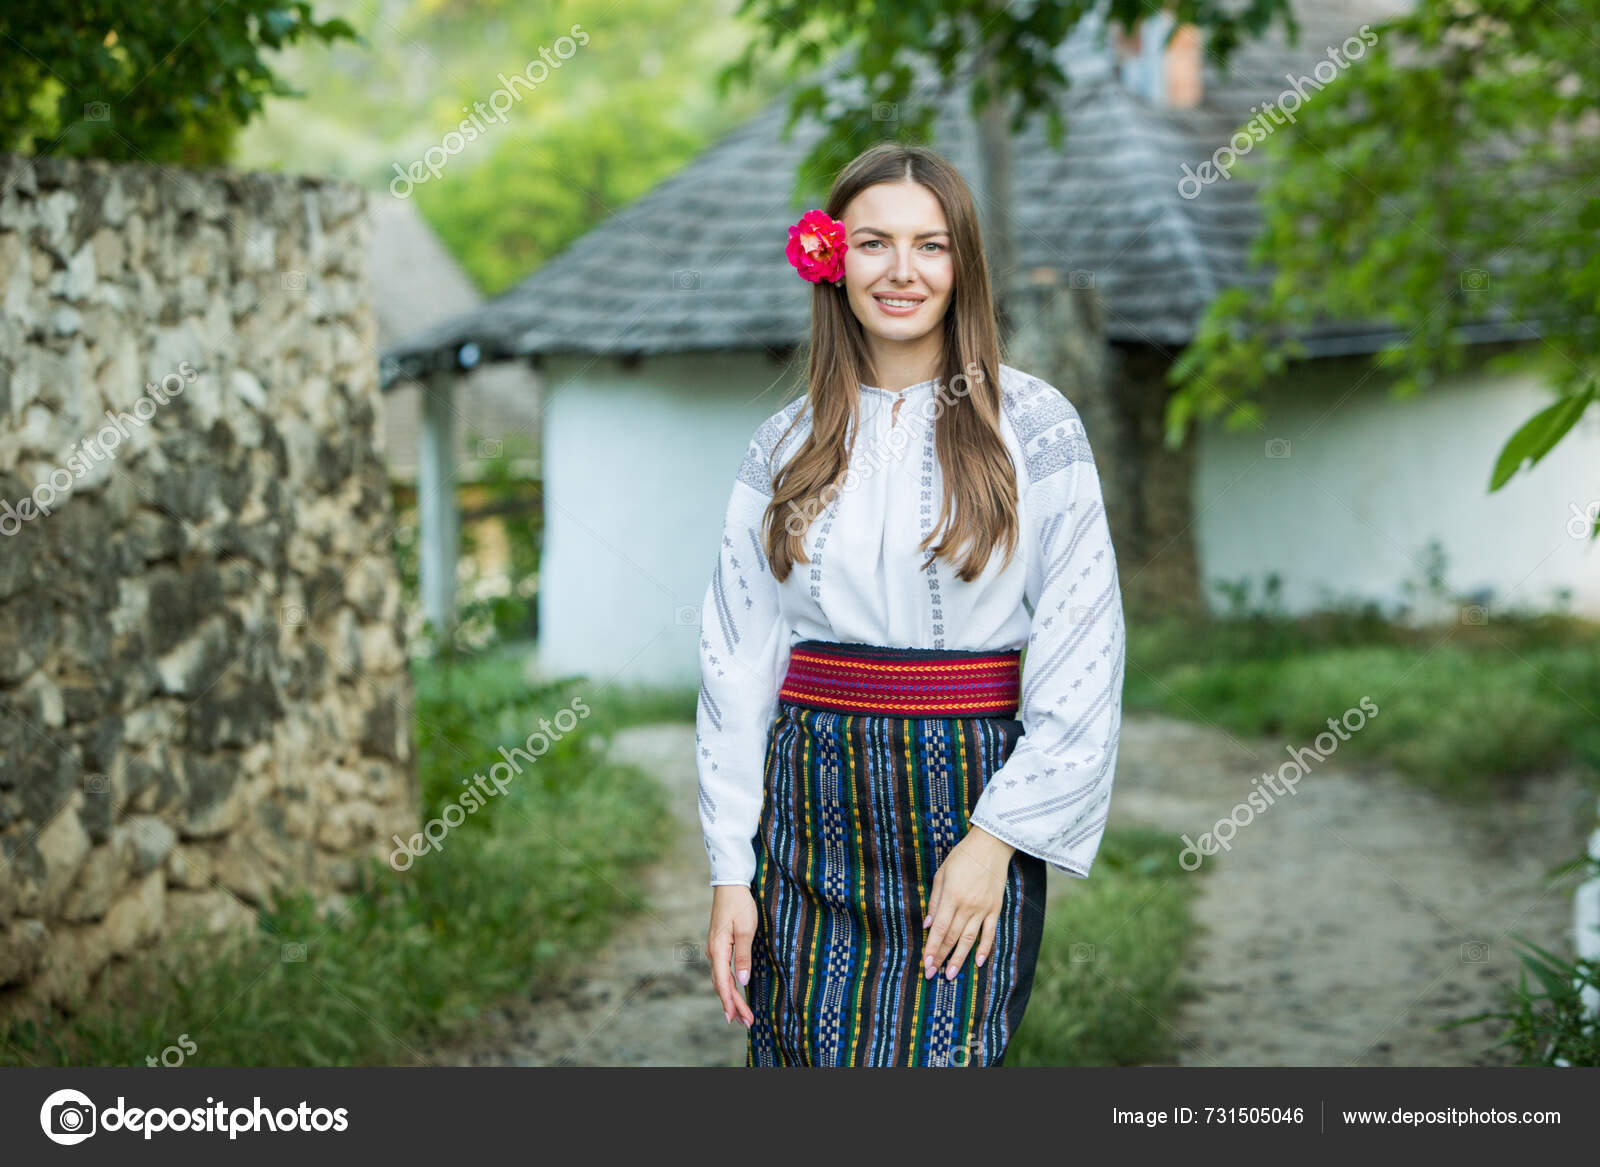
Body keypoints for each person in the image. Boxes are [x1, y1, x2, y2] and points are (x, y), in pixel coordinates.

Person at [695, 142, 1126, 1067]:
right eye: (873, 244)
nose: (901, 271)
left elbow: (1083, 644)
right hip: (812, 807)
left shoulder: (1035, 425)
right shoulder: (784, 446)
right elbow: (737, 663)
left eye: (930, 246)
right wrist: (734, 868)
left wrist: (998, 839)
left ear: (962, 264)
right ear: (832, 263)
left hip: (964, 799)